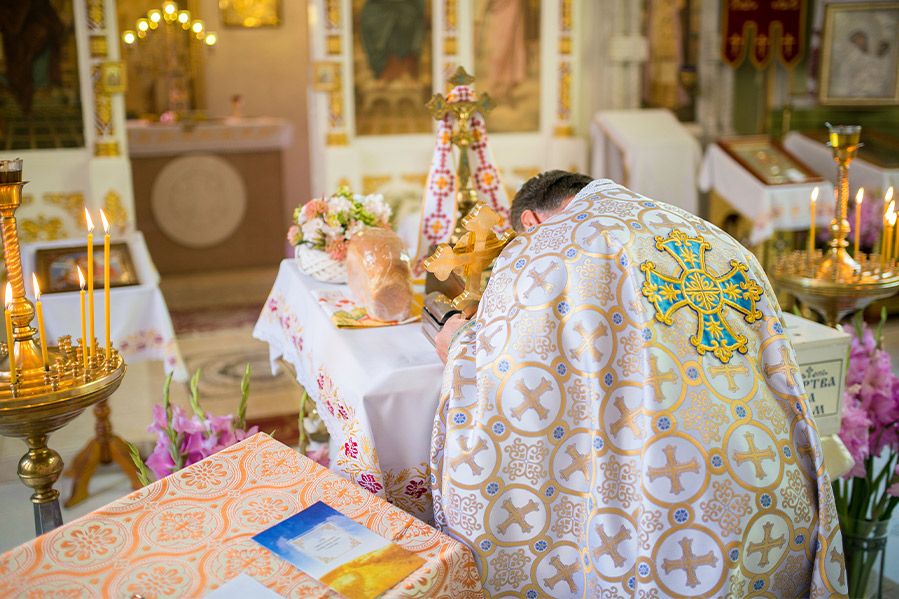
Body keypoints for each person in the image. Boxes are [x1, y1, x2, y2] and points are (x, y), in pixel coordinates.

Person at [430, 172, 847, 597]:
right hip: (771, 481)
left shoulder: (551, 244)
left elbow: (513, 374)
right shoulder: (707, 233)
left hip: (673, 495)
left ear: (532, 221)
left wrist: (458, 341)